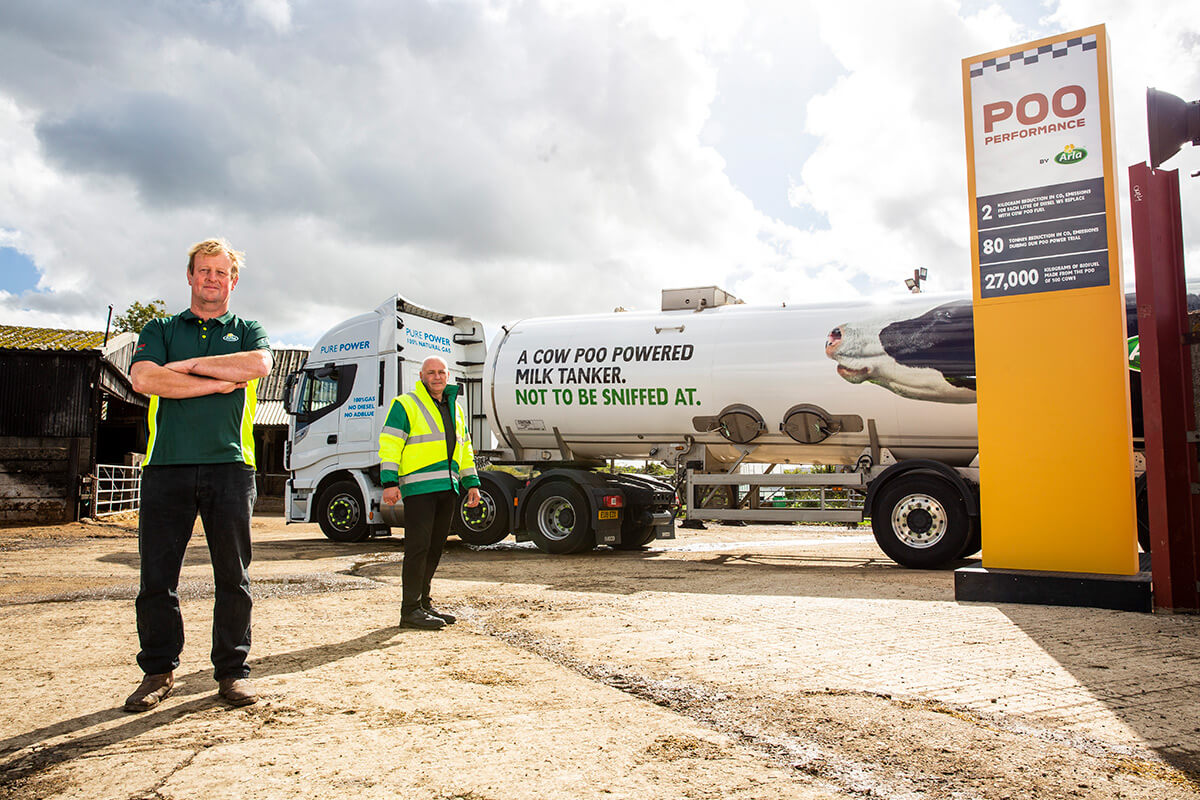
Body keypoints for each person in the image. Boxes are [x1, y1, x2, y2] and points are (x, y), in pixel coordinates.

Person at [122, 238, 272, 712]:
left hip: (231, 467)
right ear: (190, 276)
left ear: (233, 280)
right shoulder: (161, 327)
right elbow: (145, 378)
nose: (212, 278)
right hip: (166, 466)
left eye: (221, 272)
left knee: (234, 577)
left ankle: (231, 673)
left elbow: (257, 365)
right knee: (157, 578)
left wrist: (186, 368)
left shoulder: (248, 328)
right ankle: (158, 671)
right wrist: (218, 381)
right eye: (204, 271)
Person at [379, 356, 481, 629]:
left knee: (435, 548)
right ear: (422, 376)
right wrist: (389, 482)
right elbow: (390, 443)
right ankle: (409, 609)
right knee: (418, 548)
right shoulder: (406, 404)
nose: (437, 377)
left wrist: (471, 483)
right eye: (431, 373)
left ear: (448, 376)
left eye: (441, 372)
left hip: (447, 487)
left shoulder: (456, 409)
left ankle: (423, 604)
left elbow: (465, 448)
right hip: (419, 488)